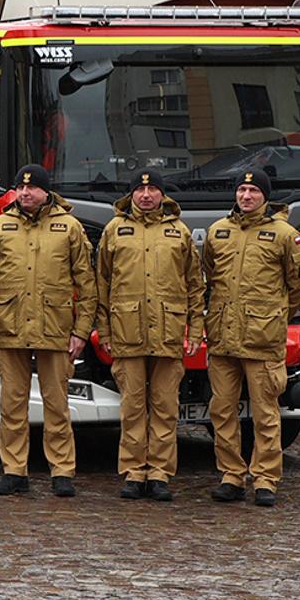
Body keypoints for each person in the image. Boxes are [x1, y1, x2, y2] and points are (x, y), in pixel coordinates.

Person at [0, 165, 96, 497]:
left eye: (31, 188)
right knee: (11, 406)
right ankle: (14, 471)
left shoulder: (69, 227)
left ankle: (62, 471)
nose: (25, 193)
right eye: (20, 188)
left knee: (56, 405)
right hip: (9, 328)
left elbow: (87, 286)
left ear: (46, 192)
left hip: (55, 329)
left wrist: (81, 332)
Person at [202, 170, 300, 507]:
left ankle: (265, 479)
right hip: (222, 338)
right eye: (242, 190)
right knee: (222, 411)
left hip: (262, 340)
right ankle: (231, 476)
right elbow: (209, 276)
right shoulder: (218, 231)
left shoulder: (285, 235)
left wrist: (276, 315)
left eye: (253, 190)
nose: (246, 196)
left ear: (265, 196)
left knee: (265, 414)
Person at [97, 168, 204, 502]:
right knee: (131, 407)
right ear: (131, 195)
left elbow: (195, 285)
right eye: (140, 191)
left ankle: (159, 473)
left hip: (168, 333)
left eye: (153, 190)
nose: (146, 196)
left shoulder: (179, 232)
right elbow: (101, 284)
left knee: (165, 406)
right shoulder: (114, 230)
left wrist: (196, 330)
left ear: (162, 194)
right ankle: (133, 471)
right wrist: (104, 330)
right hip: (126, 331)